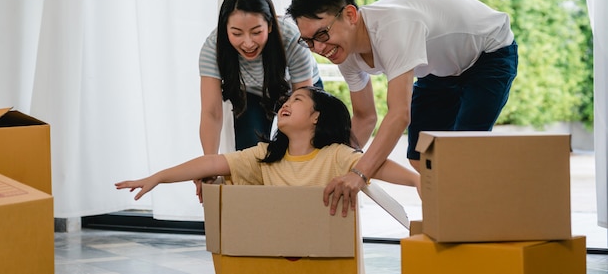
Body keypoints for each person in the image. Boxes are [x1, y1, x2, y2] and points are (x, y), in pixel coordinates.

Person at [286, 0, 517, 216]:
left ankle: (485, 216)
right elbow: (365, 118)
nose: (320, 49)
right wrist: (329, 166)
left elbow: (399, 115)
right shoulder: (345, 52)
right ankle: (451, 219)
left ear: (351, 15)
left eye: (322, 35)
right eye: (309, 42)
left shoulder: (392, 28)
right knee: (420, 156)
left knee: (462, 154)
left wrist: (358, 174)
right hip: (439, 69)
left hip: (490, 51)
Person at [116, 87, 420, 212]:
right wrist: (157, 177)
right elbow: (210, 163)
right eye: (286, 101)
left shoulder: (336, 155)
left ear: (317, 117)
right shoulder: (264, 156)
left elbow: (375, 166)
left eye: (298, 101)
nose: (286, 104)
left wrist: (418, 181)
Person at [198, 0, 322, 155]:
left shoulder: (290, 37)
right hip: (252, 92)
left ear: (270, 25)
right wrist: (209, 163)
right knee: (251, 151)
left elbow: (303, 104)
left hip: (297, 89)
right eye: (237, 33)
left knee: (307, 145)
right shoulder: (213, 48)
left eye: (256, 32)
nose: (248, 43)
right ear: (225, 29)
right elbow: (211, 113)